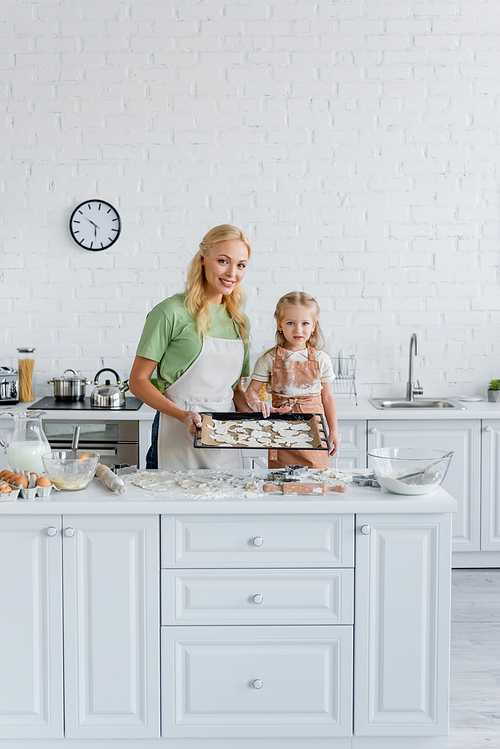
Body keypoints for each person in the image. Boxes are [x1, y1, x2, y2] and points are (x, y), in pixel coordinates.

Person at [129, 224, 254, 470]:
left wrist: (263, 414)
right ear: (203, 260)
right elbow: (138, 381)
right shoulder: (170, 312)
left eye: (240, 265)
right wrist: (183, 415)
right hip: (176, 434)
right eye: (223, 261)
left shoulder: (239, 321)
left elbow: (236, 390)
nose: (232, 273)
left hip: (224, 439)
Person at [244, 291, 340, 469]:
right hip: (282, 430)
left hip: (314, 431)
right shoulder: (268, 359)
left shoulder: (321, 359)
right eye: (290, 323)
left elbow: (327, 398)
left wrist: (333, 432)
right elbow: (251, 392)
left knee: (315, 485)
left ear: (313, 326)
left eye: (305, 323)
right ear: (279, 325)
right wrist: (256, 403)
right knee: (282, 485)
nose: (298, 329)